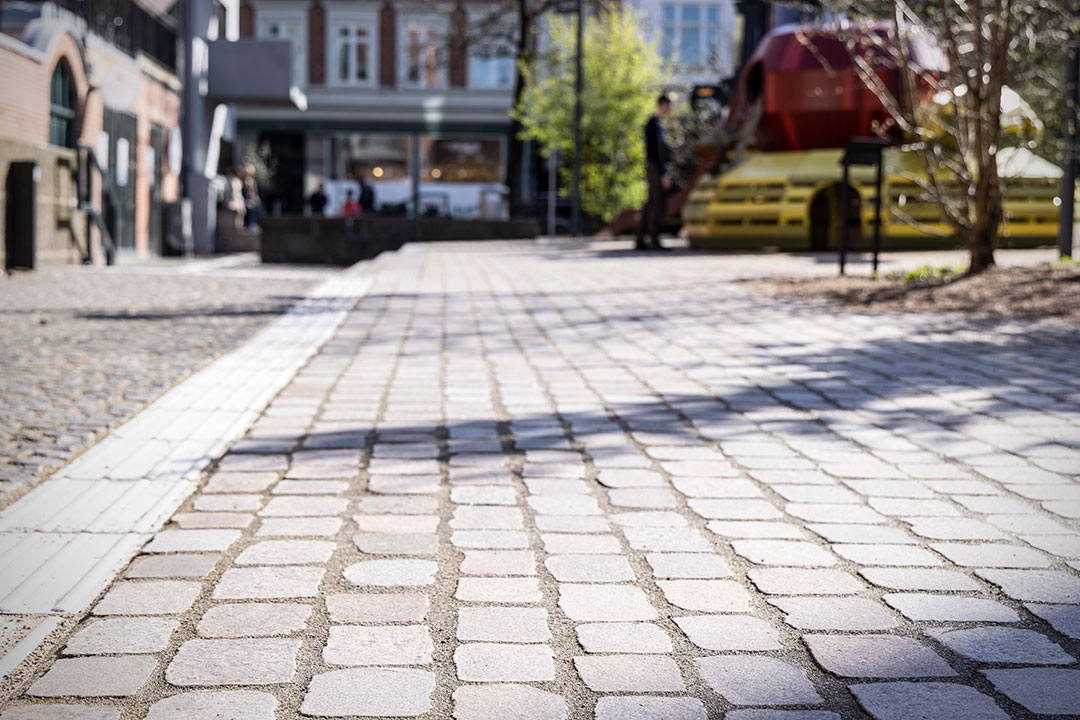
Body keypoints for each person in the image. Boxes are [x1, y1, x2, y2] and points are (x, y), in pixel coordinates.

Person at [636, 94, 673, 251]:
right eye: (671, 104)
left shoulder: (655, 123)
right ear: (664, 104)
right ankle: (652, 239)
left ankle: (641, 240)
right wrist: (663, 173)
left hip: (653, 167)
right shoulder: (655, 124)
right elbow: (658, 151)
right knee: (655, 203)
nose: (672, 108)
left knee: (651, 202)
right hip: (655, 168)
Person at [241, 163, 261, 228]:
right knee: (250, 206)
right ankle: (250, 223)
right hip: (244, 200)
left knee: (255, 206)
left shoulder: (252, 181)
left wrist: (255, 199)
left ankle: (252, 224)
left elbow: (254, 193)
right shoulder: (242, 181)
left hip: (251, 200)